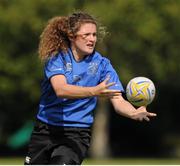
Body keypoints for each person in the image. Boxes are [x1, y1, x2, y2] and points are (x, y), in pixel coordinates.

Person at [24, 11, 157, 165]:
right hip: (45, 130)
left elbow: (118, 100)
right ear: (72, 36)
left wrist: (133, 112)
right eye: (86, 35)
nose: (92, 39)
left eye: (94, 35)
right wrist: (94, 91)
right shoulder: (57, 57)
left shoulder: (103, 65)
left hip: (76, 134)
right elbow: (61, 89)